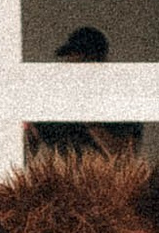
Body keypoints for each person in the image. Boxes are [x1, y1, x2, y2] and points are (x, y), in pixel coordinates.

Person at [26, 24, 143, 161]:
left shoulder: (122, 101)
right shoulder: (53, 101)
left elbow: (125, 158)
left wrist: (89, 118)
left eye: (80, 64)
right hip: (60, 180)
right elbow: (28, 152)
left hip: (103, 180)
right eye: (69, 64)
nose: (71, 72)